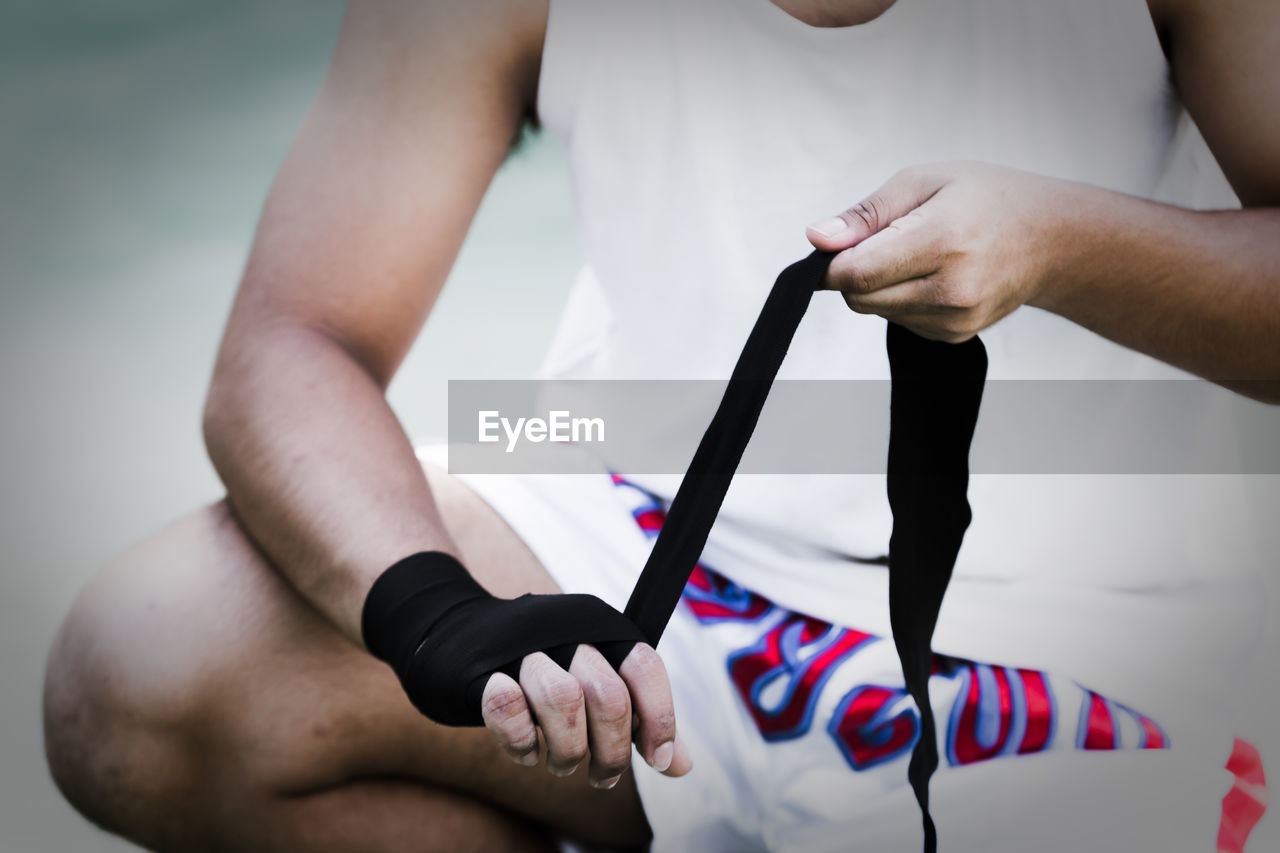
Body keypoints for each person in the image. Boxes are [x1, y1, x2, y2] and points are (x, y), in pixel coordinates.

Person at [43, 0, 1278, 850]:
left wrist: (1062, 247)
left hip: (1096, 622)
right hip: (646, 543)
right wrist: (437, 609)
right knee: (142, 664)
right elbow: (293, 340)